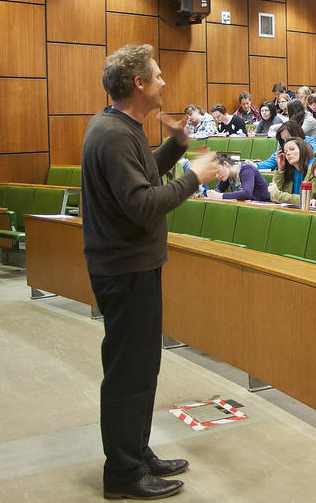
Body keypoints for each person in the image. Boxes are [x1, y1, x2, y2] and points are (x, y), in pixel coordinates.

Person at [81, 44, 219, 500]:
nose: (163, 82)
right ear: (138, 84)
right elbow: (142, 204)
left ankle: (136, 453)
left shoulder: (122, 127)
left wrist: (175, 146)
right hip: (125, 268)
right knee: (128, 372)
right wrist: (195, 175)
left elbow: (140, 178)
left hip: (133, 265)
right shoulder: (115, 134)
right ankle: (122, 473)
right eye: (157, 76)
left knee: (142, 367)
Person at [268, 138, 316, 204]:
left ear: (303, 149)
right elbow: (273, 196)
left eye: (292, 149)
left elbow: (308, 198)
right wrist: (280, 168)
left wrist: (278, 195)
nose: (288, 153)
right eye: (285, 152)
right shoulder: (289, 170)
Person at [206, 153, 271, 202]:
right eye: (215, 174)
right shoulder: (227, 173)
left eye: (218, 171)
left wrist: (220, 196)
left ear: (225, 164)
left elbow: (247, 193)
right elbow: (219, 189)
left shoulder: (247, 169)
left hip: (263, 204)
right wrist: (213, 193)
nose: (217, 176)